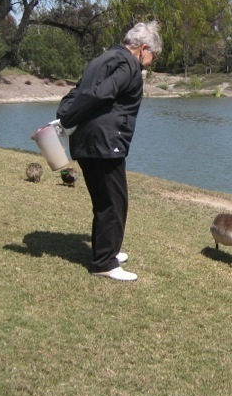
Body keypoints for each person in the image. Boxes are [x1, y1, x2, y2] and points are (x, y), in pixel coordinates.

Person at [55, 21, 161, 281]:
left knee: (104, 200)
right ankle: (104, 263)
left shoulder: (101, 59)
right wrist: (67, 119)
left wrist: (64, 116)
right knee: (113, 202)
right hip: (105, 143)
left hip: (86, 141)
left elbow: (77, 91)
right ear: (143, 48)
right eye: (152, 57)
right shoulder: (128, 64)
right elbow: (100, 94)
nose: (149, 63)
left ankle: (108, 250)